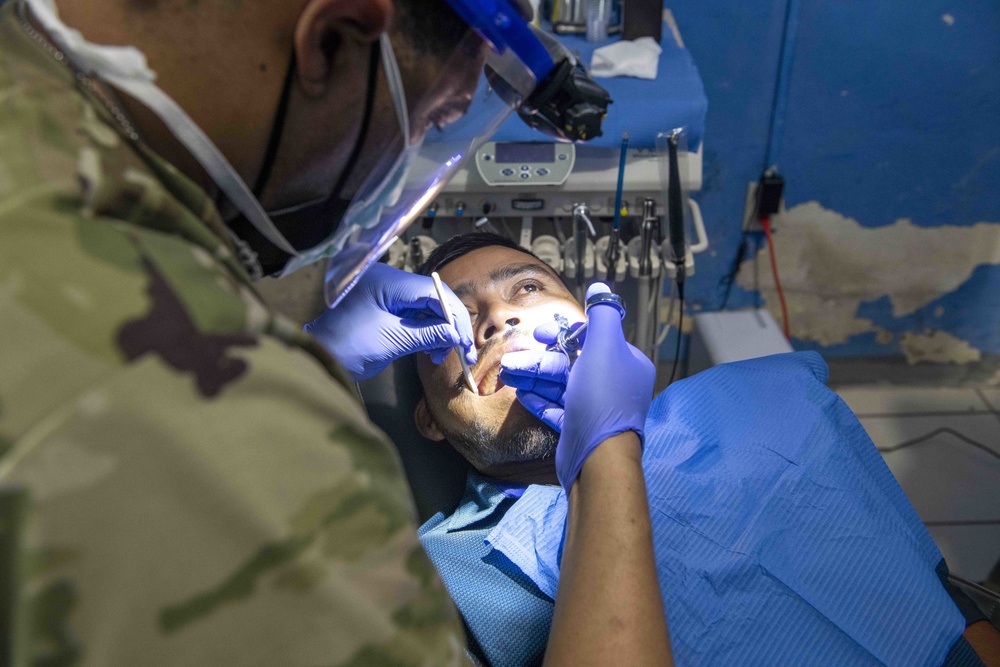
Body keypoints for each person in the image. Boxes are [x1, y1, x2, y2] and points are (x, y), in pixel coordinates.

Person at [0, 0, 670, 664]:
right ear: (330, 41)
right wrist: (608, 460)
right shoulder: (378, 540)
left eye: (528, 286)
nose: (500, 318)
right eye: (432, 120)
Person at [408, 232, 1000, 667]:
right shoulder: (440, 575)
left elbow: (925, 588)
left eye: (529, 288)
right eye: (456, 317)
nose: (500, 317)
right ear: (428, 420)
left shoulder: (761, 396)